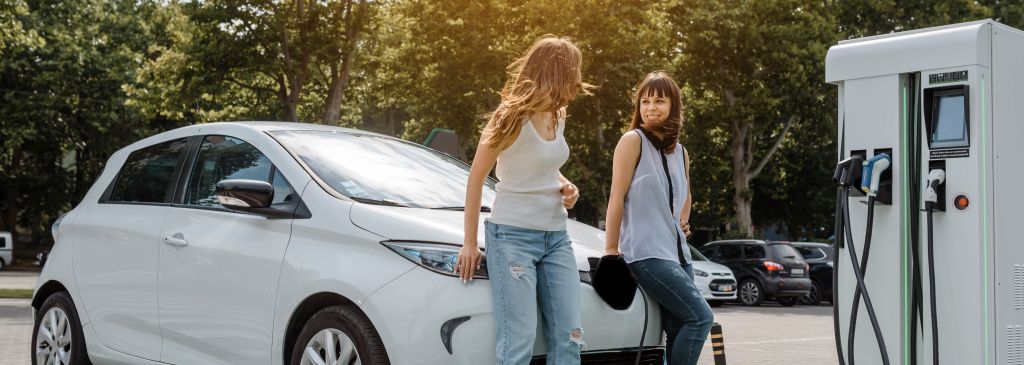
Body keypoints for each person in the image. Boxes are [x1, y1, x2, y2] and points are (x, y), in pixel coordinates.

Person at [456, 35, 594, 365]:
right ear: (556, 74)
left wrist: (565, 185)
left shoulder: (558, 115)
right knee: (519, 340)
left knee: (571, 335)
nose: (576, 83)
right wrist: (469, 243)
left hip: (556, 237)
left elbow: (542, 164)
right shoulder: (509, 118)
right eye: (572, 74)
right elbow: (476, 178)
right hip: (513, 237)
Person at [603, 71, 713, 365]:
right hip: (645, 253)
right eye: (645, 101)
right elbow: (616, 197)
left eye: (659, 101)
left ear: (673, 106)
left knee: (678, 331)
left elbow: (686, 194)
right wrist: (611, 250)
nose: (650, 108)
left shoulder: (682, 153)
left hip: (679, 255)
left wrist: (682, 221)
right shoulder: (632, 141)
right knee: (701, 318)